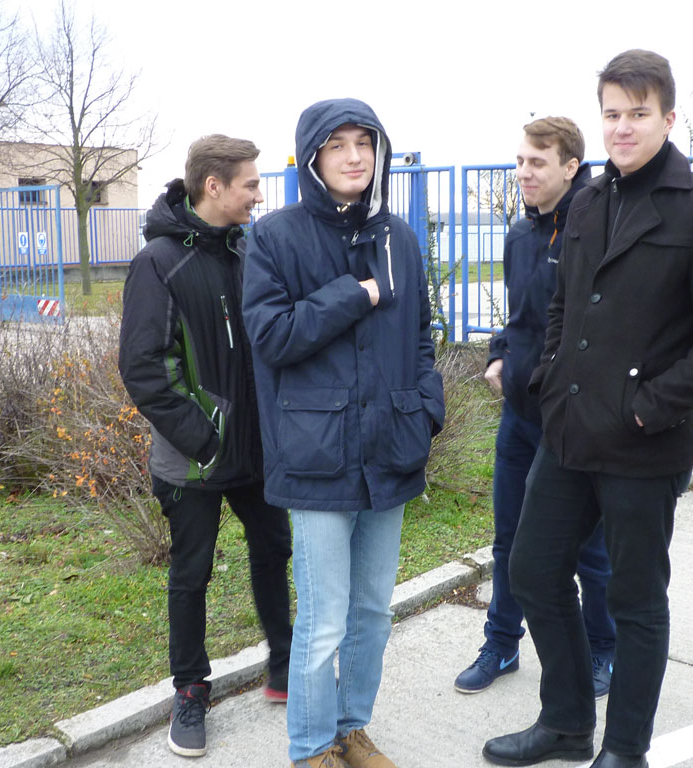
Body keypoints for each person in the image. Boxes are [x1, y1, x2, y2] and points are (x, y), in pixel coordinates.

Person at [483, 50, 693, 768]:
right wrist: (549, 379)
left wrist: (647, 407)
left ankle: (625, 749)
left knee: (635, 603)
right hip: (569, 434)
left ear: (668, 118)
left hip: (643, 444)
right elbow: (565, 304)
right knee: (532, 572)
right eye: (612, 113)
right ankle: (567, 724)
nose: (623, 127)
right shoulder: (589, 204)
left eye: (639, 113)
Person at [242, 98, 445, 768]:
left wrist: (426, 407)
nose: (355, 156)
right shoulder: (275, 238)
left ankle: (352, 729)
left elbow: (421, 335)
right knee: (325, 619)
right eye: (338, 145)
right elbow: (272, 336)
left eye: (365, 142)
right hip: (316, 457)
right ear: (312, 158)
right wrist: (355, 293)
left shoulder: (399, 238)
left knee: (371, 613)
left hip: (390, 449)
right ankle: (310, 748)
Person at [118, 135, 294, 758]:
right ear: (213, 186)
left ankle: (284, 665)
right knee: (191, 573)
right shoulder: (158, 262)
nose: (259, 195)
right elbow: (144, 367)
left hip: (257, 451)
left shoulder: (249, 249)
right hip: (194, 457)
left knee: (274, 550)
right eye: (251, 184)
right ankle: (190, 690)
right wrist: (206, 438)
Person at [454, 117, 616, 698]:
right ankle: (502, 645)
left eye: (537, 163)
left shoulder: (593, 230)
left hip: (571, 424)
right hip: (519, 420)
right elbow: (521, 318)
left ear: (571, 167)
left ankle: (603, 650)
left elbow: (596, 326)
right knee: (508, 541)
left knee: (589, 551)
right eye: (520, 161)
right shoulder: (521, 234)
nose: (523, 172)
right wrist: (500, 354)